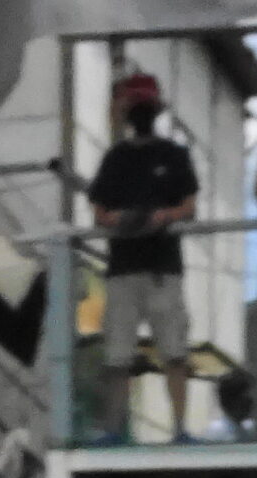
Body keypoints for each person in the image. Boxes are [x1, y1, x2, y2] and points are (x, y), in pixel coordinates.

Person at [87, 72, 201, 444]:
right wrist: (122, 219)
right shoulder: (115, 158)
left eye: (144, 106)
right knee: (118, 354)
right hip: (123, 267)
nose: (141, 113)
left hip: (163, 267)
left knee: (174, 350)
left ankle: (180, 428)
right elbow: (99, 212)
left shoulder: (174, 154)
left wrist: (163, 216)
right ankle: (113, 429)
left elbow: (189, 206)